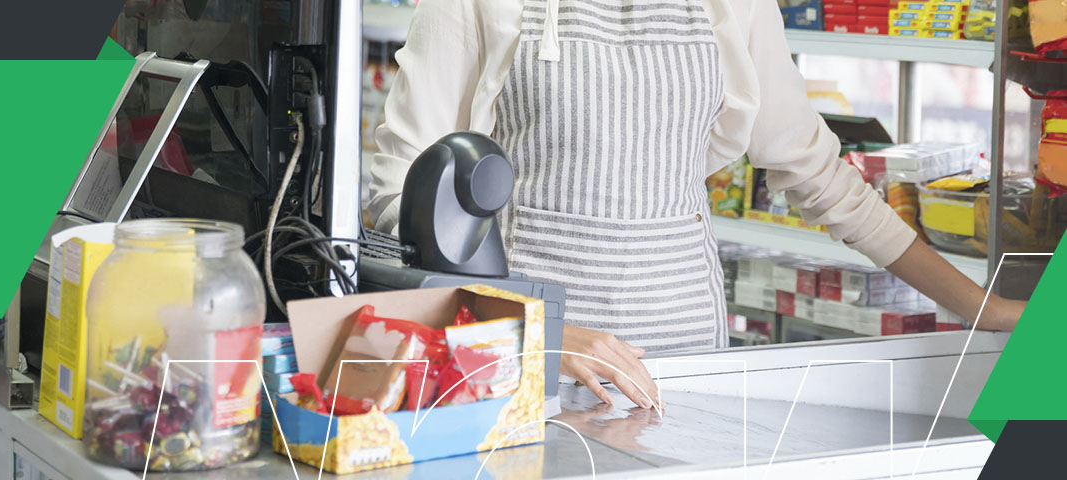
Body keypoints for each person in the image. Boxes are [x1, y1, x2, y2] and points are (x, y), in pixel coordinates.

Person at [366, 0, 1027, 410]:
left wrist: (982, 307)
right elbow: (397, 200)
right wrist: (534, 338)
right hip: (520, 372)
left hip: (687, 373)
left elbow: (822, 176)